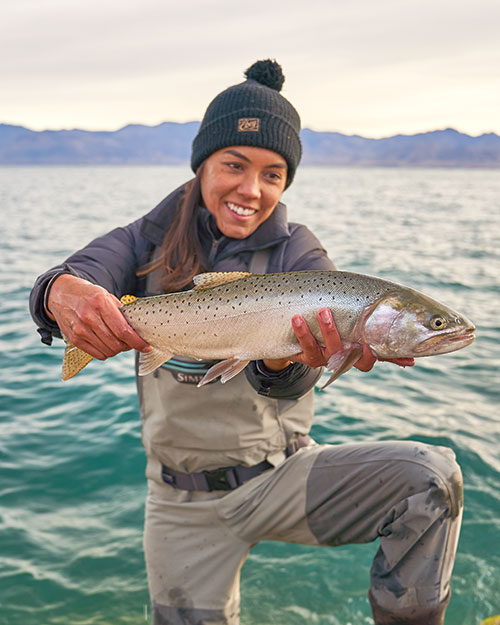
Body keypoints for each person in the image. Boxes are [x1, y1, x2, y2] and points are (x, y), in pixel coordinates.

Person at [30, 60, 463, 625]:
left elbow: (292, 383)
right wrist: (58, 292)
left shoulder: (300, 256)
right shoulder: (144, 238)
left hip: (282, 476)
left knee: (432, 479)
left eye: (273, 174)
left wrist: (284, 362)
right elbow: (81, 271)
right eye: (234, 165)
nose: (251, 189)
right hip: (179, 503)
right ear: (202, 163)